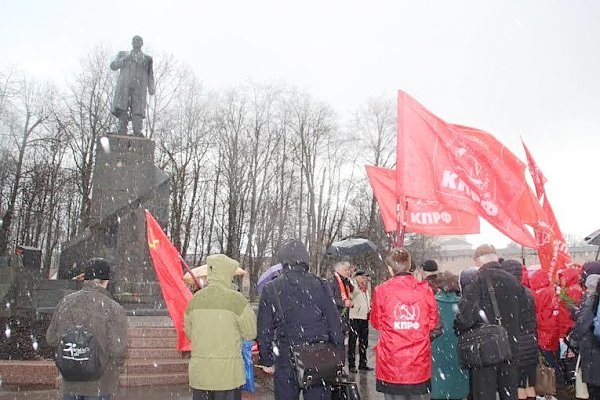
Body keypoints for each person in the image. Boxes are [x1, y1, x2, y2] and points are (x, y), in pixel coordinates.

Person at [257, 239, 344, 400]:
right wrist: (339, 355)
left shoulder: (272, 288)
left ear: (283, 260)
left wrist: (266, 359)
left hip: (286, 357)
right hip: (318, 357)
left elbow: (264, 329)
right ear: (305, 259)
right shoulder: (321, 284)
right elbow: (334, 324)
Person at [455, 244, 530, 400]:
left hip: (485, 349)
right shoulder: (514, 281)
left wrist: (458, 327)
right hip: (511, 346)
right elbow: (526, 314)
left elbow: (466, 317)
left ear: (477, 261)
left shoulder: (477, 281)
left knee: (484, 393)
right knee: (509, 392)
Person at [46, 258, 128, 400]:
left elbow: (51, 339)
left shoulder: (66, 302)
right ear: (106, 281)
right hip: (100, 384)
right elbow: (118, 351)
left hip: (70, 381)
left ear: (85, 278)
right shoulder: (114, 309)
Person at [184, 254, 257, 400]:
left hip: (201, 376)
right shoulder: (237, 300)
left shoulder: (195, 299)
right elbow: (250, 333)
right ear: (228, 273)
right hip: (228, 377)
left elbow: (189, 333)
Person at [370, 247, 440, 400]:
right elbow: (433, 323)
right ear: (409, 266)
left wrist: (396, 326)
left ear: (390, 268)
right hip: (418, 360)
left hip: (391, 360)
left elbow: (376, 322)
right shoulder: (425, 291)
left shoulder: (381, 291)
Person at [500, 259, 538, 400]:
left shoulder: (507, 294)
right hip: (530, 342)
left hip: (516, 344)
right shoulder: (527, 292)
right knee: (529, 383)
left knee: (518, 385)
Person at [430, 271, 470, 400]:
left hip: (437, 350)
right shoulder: (463, 304)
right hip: (459, 350)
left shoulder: (432, 303)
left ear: (438, 286)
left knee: (439, 387)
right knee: (458, 386)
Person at [110, 35, 155, 136]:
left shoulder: (147, 59)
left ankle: (137, 131)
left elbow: (150, 74)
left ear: (142, 43)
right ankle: (122, 129)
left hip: (139, 88)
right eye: (134, 40)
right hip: (124, 86)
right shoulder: (123, 54)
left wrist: (151, 87)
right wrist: (125, 59)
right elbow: (113, 66)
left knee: (138, 110)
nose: (136, 42)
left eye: (139, 40)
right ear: (131, 42)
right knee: (122, 107)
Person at [570, 277, 600, 400]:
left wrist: (574, 339)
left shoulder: (591, 300)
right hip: (593, 345)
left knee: (595, 385)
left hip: (593, 346)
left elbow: (584, 324)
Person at [347, 270, 372, 373]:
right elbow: (351, 295)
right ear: (357, 277)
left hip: (364, 317)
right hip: (354, 316)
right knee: (353, 342)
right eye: (362, 277)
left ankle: (363, 363)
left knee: (363, 342)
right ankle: (351, 364)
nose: (364, 279)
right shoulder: (353, 284)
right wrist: (358, 287)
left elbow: (367, 299)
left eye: (365, 277)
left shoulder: (366, 288)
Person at [328, 261, 354, 334]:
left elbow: (352, 291)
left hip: (344, 316)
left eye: (349, 270)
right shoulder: (332, 281)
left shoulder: (345, 281)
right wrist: (343, 303)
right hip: (335, 317)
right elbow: (329, 299)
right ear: (339, 270)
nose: (348, 272)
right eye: (346, 270)